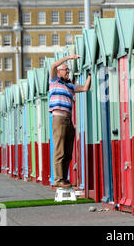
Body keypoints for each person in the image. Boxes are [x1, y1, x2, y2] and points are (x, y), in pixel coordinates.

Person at [49, 54, 91, 188]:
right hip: (58, 118)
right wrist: (69, 58)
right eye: (66, 70)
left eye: (68, 70)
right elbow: (53, 65)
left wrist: (90, 74)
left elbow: (85, 88)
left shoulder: (69, 86)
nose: (68, 72)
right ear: (59, 72)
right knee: (59, 150)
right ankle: (58, 179)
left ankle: (64, 178)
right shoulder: (54, 81)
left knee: (68, 152)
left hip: (68, 120)